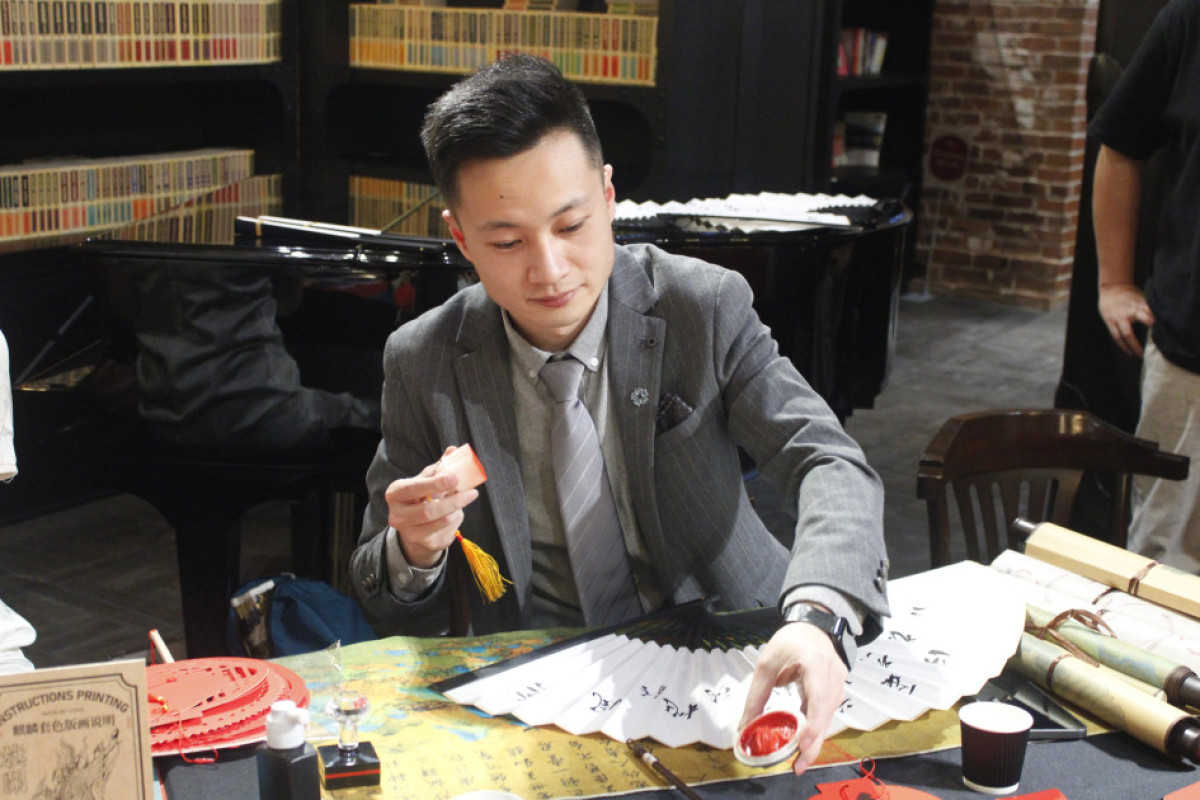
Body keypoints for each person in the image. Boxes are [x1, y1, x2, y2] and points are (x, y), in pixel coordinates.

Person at [350, 54, 889, 774]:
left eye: (571, 224)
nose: (549, 269)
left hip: (739, 659)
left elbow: (828, 460)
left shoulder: (701, 307)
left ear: (608, 199)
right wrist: (414, 550)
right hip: (553, 691)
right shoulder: (425, 359)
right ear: (461, 239)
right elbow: (382, 590)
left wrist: (818, 618)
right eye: (507, 242)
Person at [1091, 0, 1200, 573]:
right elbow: (1120, 143)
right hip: (1191, 351)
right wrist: (1114, 281)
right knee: (1165, 562)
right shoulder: (1189, 20)